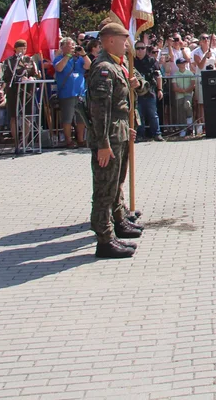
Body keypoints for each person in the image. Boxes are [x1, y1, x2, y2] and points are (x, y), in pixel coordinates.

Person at [87, 22, 145, 259]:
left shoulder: (117, 66)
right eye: (124, 41)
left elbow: (123, 104)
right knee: (104, 190)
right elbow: (99, 111)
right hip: (108, 136)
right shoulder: (103, 68)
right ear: (110, 40)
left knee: (114, 185)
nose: (127, 45)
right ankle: (104, 240)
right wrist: (103, 144)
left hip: (118, 132)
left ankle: (116, 226)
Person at [53, 37, 91, 148]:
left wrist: (83, 54)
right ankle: (69, 140)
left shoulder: (79, 59)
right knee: (67, 118)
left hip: (80, 93)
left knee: (81, 118)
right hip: (67, 93)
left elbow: (88, 66)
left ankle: (80, 139)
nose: (73, 47)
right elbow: (59, 68)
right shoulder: (59, 58)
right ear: (63, 47)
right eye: (70, 45)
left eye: (73, 45)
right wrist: (67, 56)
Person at [2, 39, 41, 144]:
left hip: (27, 91)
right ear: (15, 49)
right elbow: (6, 76)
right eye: (20, 48)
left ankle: (25, 140)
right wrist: (18, 79)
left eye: (24, 48)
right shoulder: (9, 61)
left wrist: (33, 78)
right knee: (14, 116)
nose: (23, 50)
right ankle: (16, 141)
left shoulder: (29, 60)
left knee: (27, 116)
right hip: (14, 91)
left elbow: (35, 73)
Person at [133, 41, 164, 142]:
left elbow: (158, 76)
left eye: (142, 48)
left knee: (153, 114)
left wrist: (160, 89)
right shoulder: (132, 62)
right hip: (136, 93)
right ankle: (140, 135)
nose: (140, 51)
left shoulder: (152, 61)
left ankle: (157, 134)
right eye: (137, 48)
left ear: (145, 49)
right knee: (139, 115)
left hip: (150, 92)